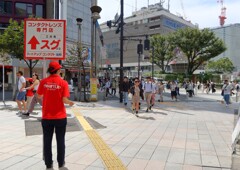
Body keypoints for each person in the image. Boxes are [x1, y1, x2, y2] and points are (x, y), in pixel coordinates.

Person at [37, 61, 74, 169]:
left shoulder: (43, 82)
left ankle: (49, 164)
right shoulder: (63, 83)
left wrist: (47, 97)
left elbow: (38, 96)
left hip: (47, 116)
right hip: (60, 117)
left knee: (47, 141)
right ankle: (61, 163)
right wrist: (70, 103)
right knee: (60, 140)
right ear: (58, 70)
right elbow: (64, 99)